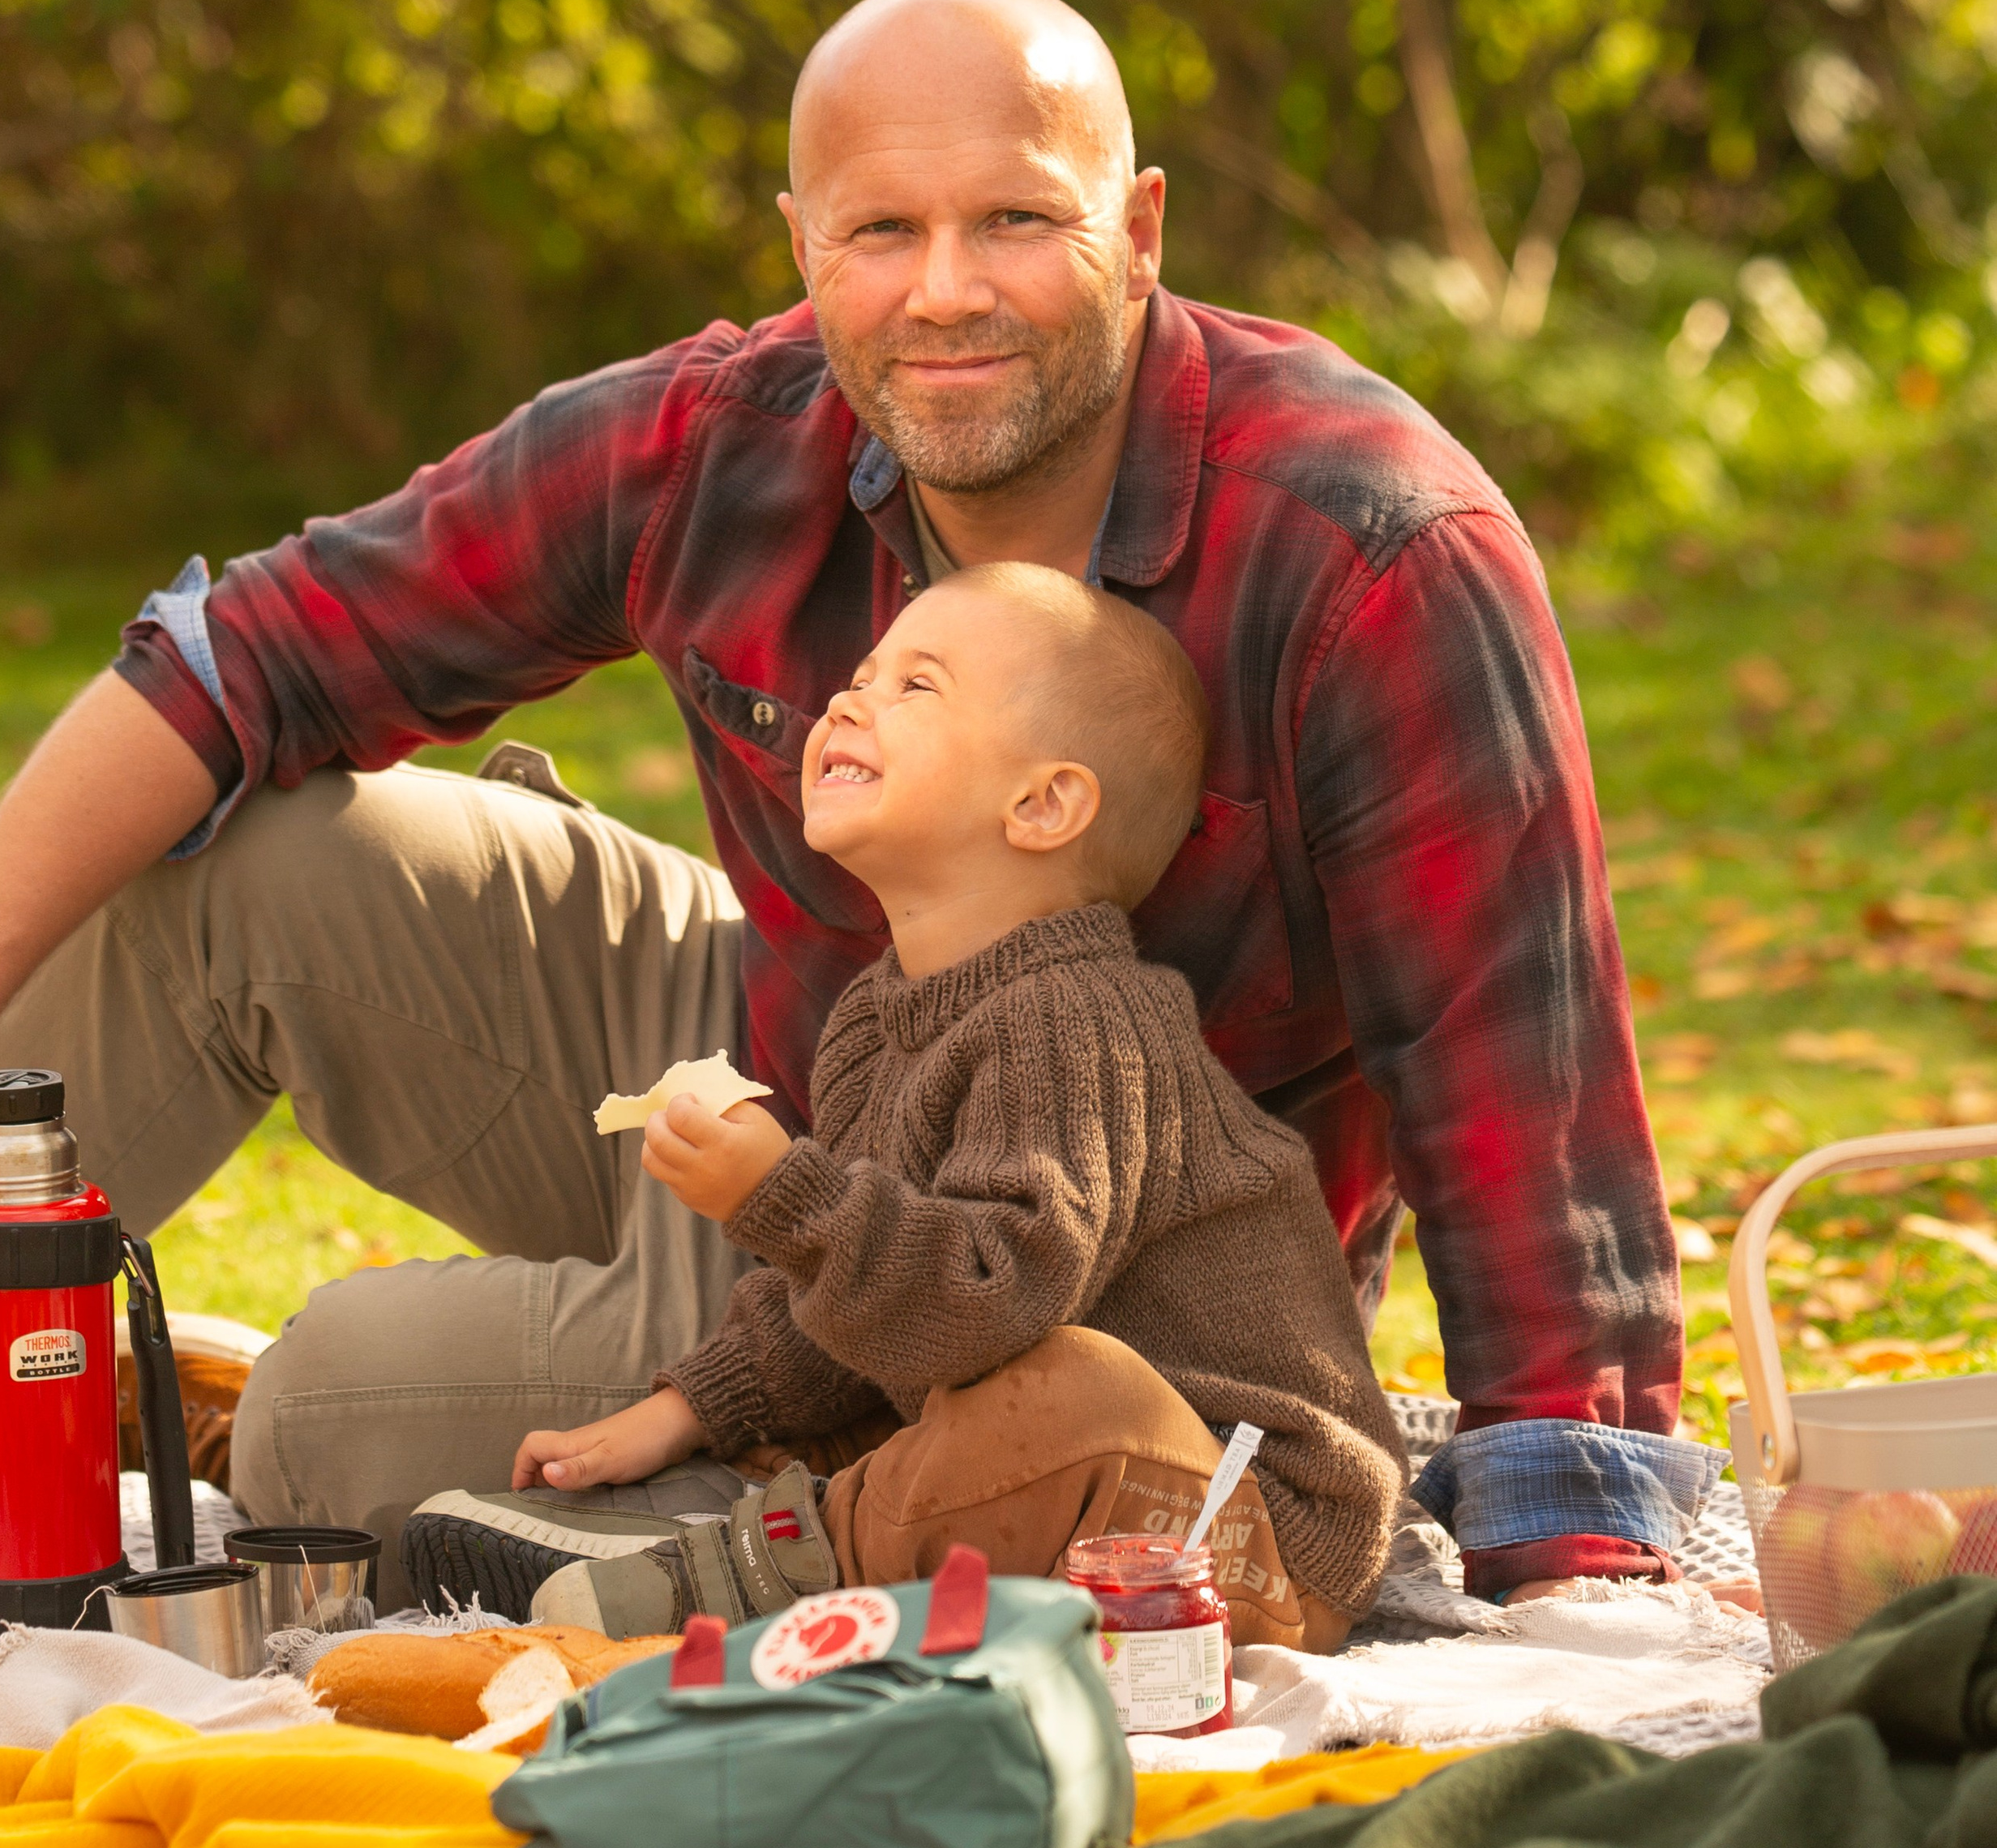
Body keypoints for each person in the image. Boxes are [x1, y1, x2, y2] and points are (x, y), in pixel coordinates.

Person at [0, 0, 1700, 1610]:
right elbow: (246, 653)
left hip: (1035, 1276)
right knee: (231, 865)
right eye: (883, 230)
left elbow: (1517, 1089)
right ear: (802, 242)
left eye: (1017, 220)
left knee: (331, 1413)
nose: (946, 291)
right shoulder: (723, 438)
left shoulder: (1370, 548)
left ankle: (720, 1508)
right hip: (800, 1055)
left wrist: (1572, 1559)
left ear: (1139, 227)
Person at [399, 565, 1405, 1649]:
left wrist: (785, 1196)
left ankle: (750, 1568)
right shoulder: (876, 1026)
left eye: (915, 686)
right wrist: (687, 1409)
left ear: (1042, 805)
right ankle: (732, 1521)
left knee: (1063, 1389)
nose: (849, 699)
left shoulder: (1075, 1020)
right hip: (1054, 1484)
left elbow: (992, 1300)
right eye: (863, 674)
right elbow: (870, 1310)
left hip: (1244, 1526)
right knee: (894, 1405)